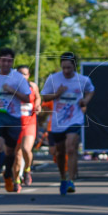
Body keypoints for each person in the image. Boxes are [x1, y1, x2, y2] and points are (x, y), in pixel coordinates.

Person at [40, 52, 95, 195]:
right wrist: (57, 94)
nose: (66, 71)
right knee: (59, 152)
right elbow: (44, 96)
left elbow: (91, 91)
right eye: (63, 68)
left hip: (75, 119)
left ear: (74, 67)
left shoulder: (83, 80)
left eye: (69, 68)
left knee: (70, 148)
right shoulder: (53, 79)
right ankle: (63, 178)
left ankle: (71, 180)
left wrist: (85, 101)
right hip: (58, 121)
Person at [0, 48, 31, 193]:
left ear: (12, 62)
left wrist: (11, 91)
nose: (6, 63)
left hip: (14, 117)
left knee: (10, 151)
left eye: (9, 61)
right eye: (3, 60)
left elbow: (28, 98)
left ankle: (7, 174)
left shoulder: (18, 78)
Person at [15, 65, 40, 186]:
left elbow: (38, 98)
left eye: (24, 74)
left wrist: (38, 105)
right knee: (17, 154)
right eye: (20, 73)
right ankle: (16, 180)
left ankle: (27, 170)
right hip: (16, 122)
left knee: (25, 149)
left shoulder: (33, 86)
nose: (22, 76)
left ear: (28, 75)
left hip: (30, 122)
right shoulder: (12, 87)